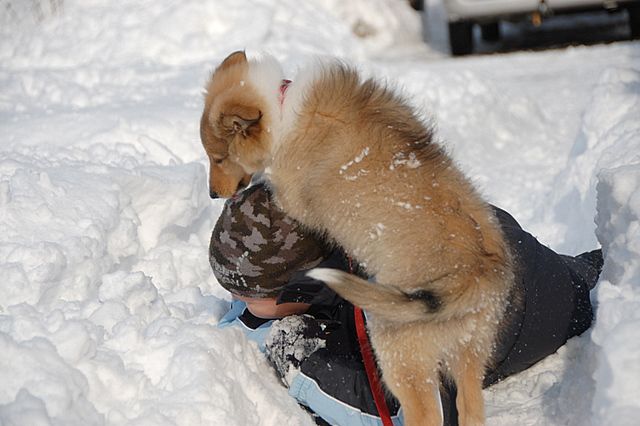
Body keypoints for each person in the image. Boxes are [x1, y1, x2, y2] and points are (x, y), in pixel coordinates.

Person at [212, 182, 603, 426]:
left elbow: (421, 412)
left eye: (245, 296)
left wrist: (305, 366)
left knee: (597, 284)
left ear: (302, 289)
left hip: (534, 303)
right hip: (477, 242)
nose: (234, 302)